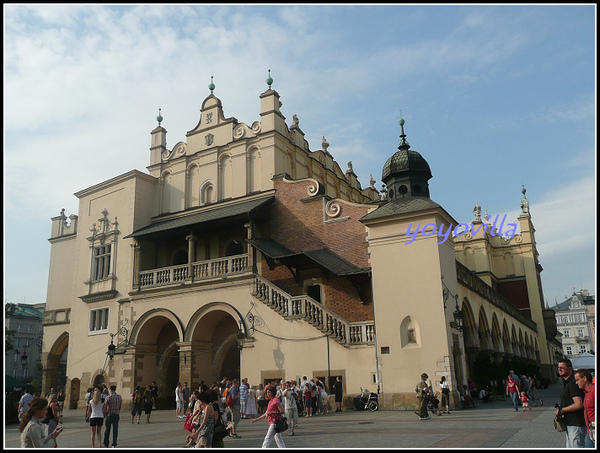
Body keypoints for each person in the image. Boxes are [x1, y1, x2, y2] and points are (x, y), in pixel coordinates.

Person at [556, 359, 586, 448]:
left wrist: (562, 410)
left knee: (577, 446)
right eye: (558, 367)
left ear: (570, 368)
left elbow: (578, 404)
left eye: (562, 367)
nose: (559, 369)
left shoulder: (573, 383)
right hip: (570, 422)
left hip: (576, 422)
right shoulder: (567, 383)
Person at [574, 368, 595, 448]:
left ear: (585, 378)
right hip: (590, 431)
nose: (576, 383)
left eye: (577, 380)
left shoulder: (593, 391)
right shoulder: (586, 393)